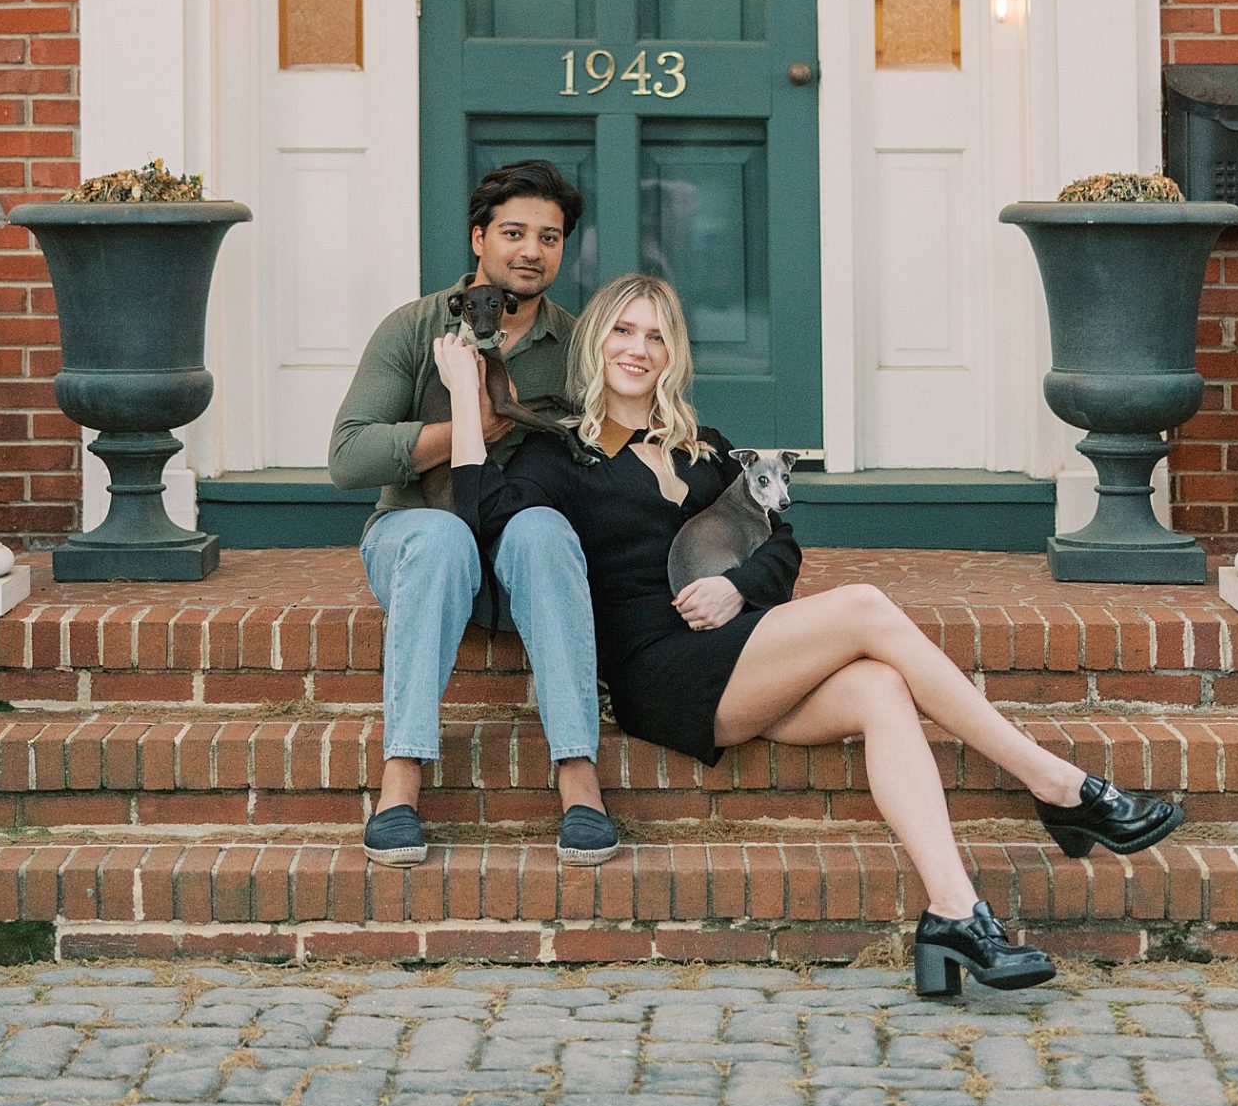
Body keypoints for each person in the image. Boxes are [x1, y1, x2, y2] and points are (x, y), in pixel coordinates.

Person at [436, 271, 1185, 993]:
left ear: (674, 354)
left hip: (739, 649)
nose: (637, 349)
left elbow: (781, 548)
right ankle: (1056, 784)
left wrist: (736, 587)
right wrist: (467, 401)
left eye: (656, 337)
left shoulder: (705, 450)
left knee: (881, 688)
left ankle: (954, 913)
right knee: (863, 608)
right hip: (657, 669)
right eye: (623, 332)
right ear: (595, 341)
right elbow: (485, 523)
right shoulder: (558, 453)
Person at [328, 160, 618, 866]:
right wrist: (465, 427)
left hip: (520, 539)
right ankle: (401, 780)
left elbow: (612, 451)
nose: (531, 250)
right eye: (514, 232)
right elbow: (349, 457)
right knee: (439, 538)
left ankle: (579, 778)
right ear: (478, 238)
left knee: (548, 531)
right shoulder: (415, 327)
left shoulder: (578, 344)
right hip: (418, 531)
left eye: (549, 238)